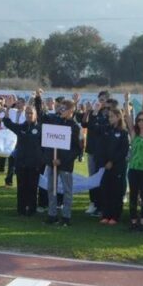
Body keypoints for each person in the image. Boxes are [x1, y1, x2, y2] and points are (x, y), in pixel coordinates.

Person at [38, 94, 82, 226]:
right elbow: (42, 116)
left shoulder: (75, 127)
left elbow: (76, 149)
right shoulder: (54, 121)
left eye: (64, 108)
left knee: (67, 191)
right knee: (51, 188)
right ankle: (52, 215)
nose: (61, 110)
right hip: (52, 162)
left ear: (71, 111)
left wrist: (62, 160)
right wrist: (38, 99)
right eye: (61, 107)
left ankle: (66, 217)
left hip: (65, 165)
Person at [2, 91, 44, 217]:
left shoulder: (41, 129)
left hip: (35, 164)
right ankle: (21, 209)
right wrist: (8, 108)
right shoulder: (21, 127)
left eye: (31, 113)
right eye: (27, 113)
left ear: (36, 115)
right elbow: (7, 123)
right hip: (21, 163)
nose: (29, 115)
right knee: (21, 187)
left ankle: (31, 209)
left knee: (32, 188)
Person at [97, 106, 129, 225]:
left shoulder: (123, 133)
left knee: (116, 191)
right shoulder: (106, 130)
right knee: (106, 189)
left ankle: (115, 216)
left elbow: (123, 150)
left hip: (118, 166)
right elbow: (102, 148)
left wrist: (112, 161)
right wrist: (105, 162)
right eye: (109, 116)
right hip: (106, 166)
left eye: (112, 116)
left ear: (119, 117)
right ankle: (106, 214)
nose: (109, 118)